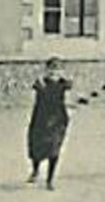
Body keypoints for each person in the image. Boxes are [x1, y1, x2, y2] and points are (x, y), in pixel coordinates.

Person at [26, 57, 72, 189]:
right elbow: (41, 92)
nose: (54, 72)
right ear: (46, 70)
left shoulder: (64, 83)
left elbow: (69, 95)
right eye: (51, 69)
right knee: (36, 147)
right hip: (41, 119)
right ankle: (35, 170)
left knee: (54, 149)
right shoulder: (41, 83)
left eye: (57, 69)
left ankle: (49, 180)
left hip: (58, 120)